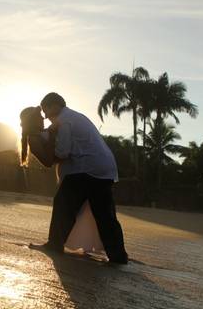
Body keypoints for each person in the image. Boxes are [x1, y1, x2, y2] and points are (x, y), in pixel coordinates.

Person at [20, 92, 128, 264]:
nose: (46, 116)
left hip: (87, 169)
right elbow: (50, 138)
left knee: (64, 204)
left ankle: (55, 244)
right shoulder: (70, 117)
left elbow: (63, 152)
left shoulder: (64, 121)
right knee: (104, 214)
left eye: (45, 110)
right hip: (103, 168)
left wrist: (49, 146)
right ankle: (118, 256)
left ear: (54, 105)